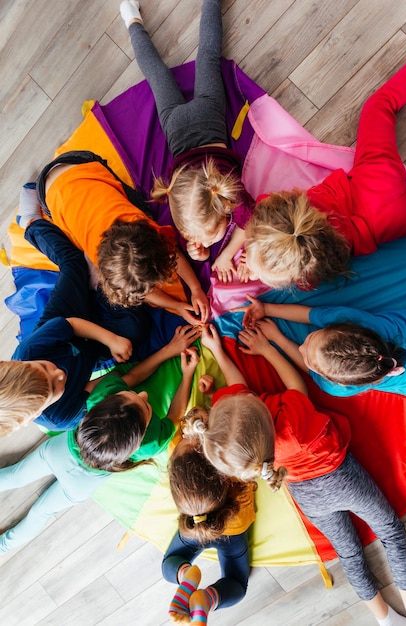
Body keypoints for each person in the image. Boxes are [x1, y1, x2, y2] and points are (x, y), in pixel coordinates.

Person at [188, 324, 406, 626]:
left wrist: (218, 352)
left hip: (307, 497)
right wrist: (267, 349)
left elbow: (237, 386)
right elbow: (295, 382)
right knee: (391, 533)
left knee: (349, 554)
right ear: (255, 403)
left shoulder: (241, 448)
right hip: (342, 480)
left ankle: (384, 618)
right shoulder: (292, 420)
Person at [0, 332, 199, 553]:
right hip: (79, 483)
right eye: (144, 403)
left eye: (140, 400)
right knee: (41, 513)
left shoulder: (99, 397)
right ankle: (3, 546)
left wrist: (171, 354)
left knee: (15, 475)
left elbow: (132, 377)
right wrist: (187, 375)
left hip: (59, 452)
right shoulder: (149, 443)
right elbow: (175, 415)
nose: (143, 394)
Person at [243, 56, 406, 290]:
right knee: (380, 104)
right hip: (375, 180)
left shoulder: (311, 273)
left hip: (391, 223)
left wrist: (258, 270)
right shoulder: (284, 205)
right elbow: (265, 205)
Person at [120, 0, 255, 285]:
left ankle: (133, 20)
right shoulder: (185, 201)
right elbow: (233, 226)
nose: (196, 240)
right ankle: (131, 19)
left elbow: (249, 224)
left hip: (208, 115)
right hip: (176, 128)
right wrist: (201, 253)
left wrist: (223, 254)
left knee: (206, 56)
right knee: (165, 73)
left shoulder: (229, 196)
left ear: (226, 208)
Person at [1, 202, 144, 435]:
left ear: (20, 363)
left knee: (73, 263)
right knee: (136, 331)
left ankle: (30, 223)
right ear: (36, 414)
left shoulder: (30, 351)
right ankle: (96, 288)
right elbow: (104, 383)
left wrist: (110, 339)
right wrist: (116, 350)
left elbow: (71, 324)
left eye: (44, 368)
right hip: (89, 357)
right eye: (54, 386)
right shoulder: (61, 417)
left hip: (65, 319)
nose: (59, 373)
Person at [31, 152, 209, 324]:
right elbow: (146, 288)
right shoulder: (112, 254)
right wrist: (178, 304)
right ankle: (31, 220)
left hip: (72, 172)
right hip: (63, 177)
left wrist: (195, 289)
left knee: (142, 210)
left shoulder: (144, 230)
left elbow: (172, 254)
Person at [163, 396, 255, 624]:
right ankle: (206, 599)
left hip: (193, 529)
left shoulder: (176, 451)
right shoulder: (235, 463)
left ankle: (188, 577)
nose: (189, 434)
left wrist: (189, 425)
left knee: (171, 561)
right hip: (233, 533)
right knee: (236, 581)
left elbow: (182, 426)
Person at [233, 295, 406, 397]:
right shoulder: (351, 321)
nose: (301, 348)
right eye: (310, 337)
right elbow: (308, 315)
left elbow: (308, 369)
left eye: (309, 359)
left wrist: (280, 340)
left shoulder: (337, 387)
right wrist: (266, 309)